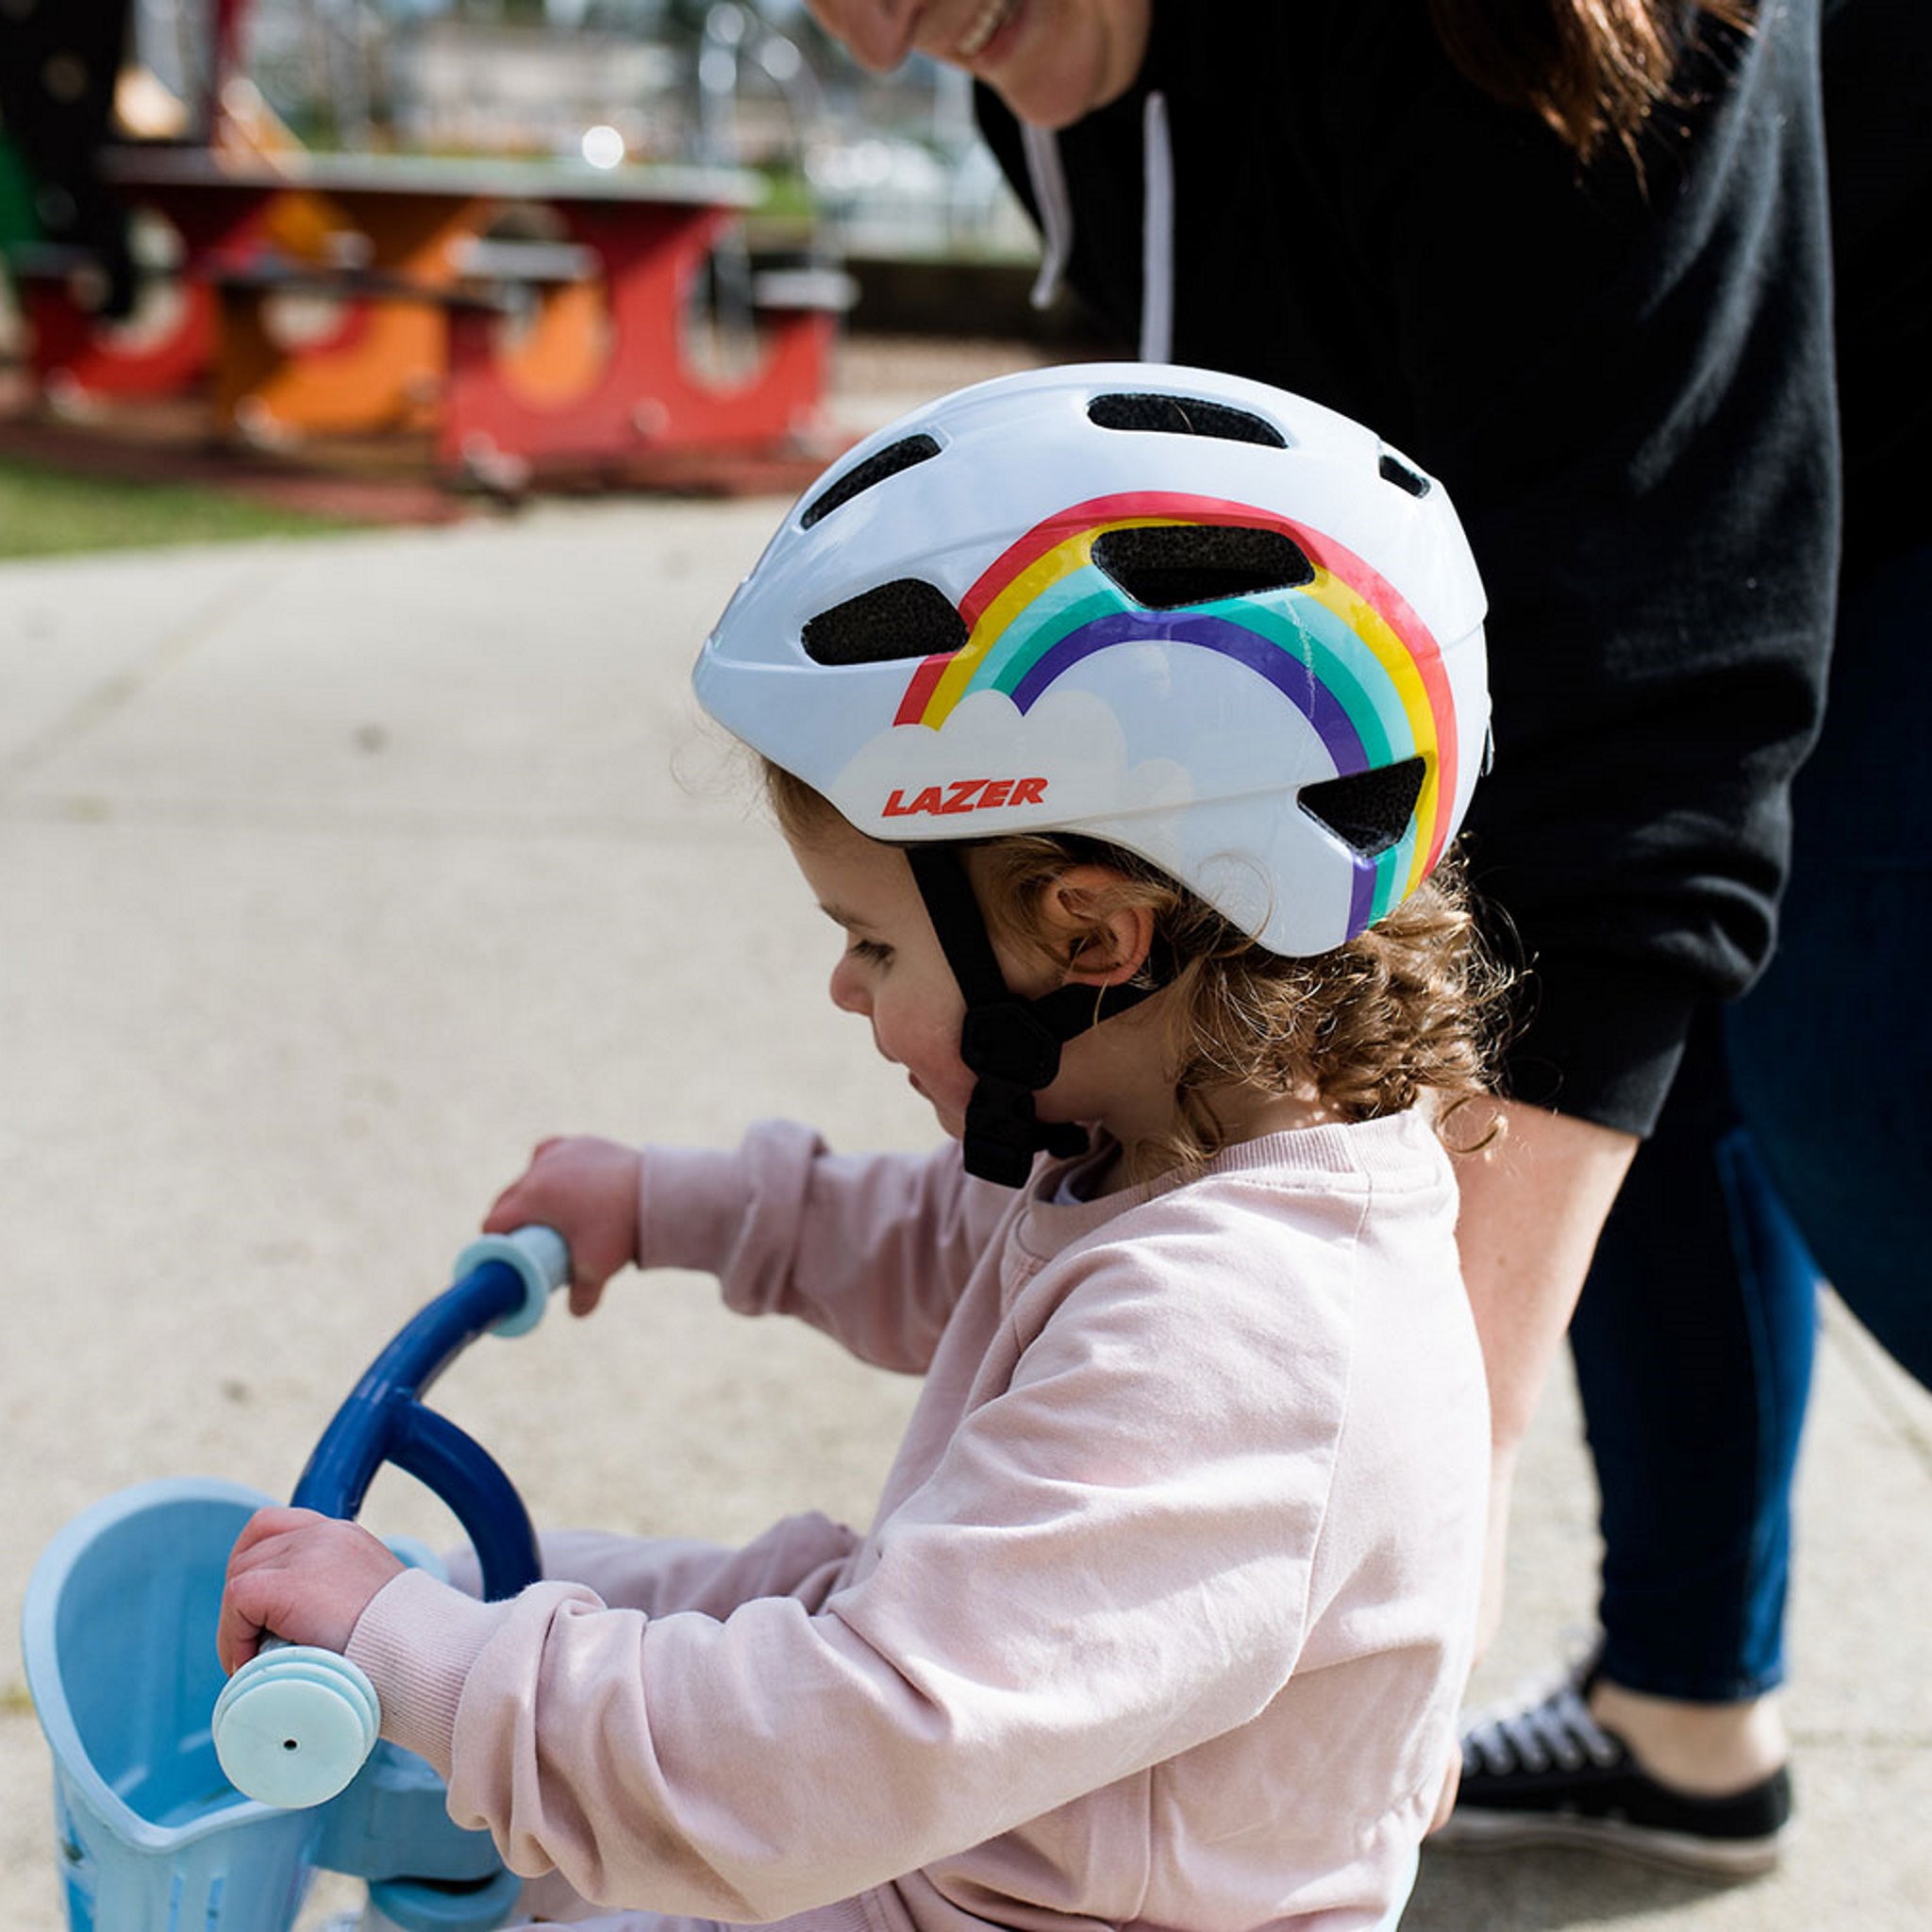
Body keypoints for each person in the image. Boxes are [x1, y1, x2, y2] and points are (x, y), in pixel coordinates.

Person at [803, 0, 1930, 1877]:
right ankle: (1680, 1714)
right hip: (1668, 415)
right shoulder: (1033, 50)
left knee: (1853, 1067)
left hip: (1898, 415)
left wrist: (1385, 1492)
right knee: (1557, 1018)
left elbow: (1660, 716)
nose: (876, 29)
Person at [219, 362, 1509, 1931]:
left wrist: (416, 1660)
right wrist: (682, 1206)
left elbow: (836, 1754)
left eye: (874, 945)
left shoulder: (1247, 1342)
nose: (846, 988)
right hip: (970, 1821)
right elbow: (960, 1252)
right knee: (548, 1590)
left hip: (967, 1870)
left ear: (1091, 935)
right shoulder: (1175, 1143)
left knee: (524, 1667)